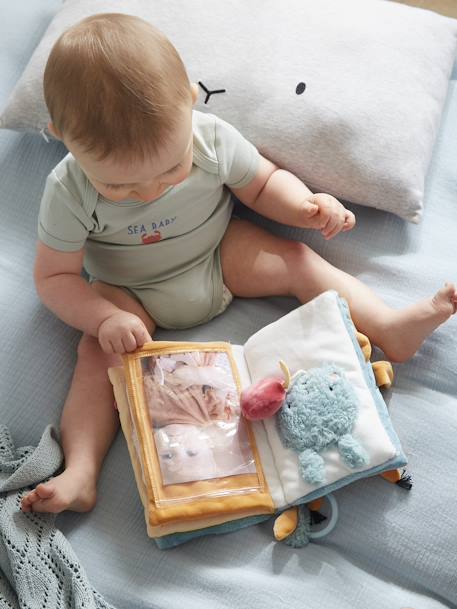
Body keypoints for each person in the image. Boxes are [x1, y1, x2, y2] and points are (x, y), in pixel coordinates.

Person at [20, 13, 457, 514]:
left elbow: (262, 183)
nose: (148, 192)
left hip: (218, 252)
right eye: (118, 186)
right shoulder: (67, 189)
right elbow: (54, 277)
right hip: (127, 289)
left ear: (189, 98)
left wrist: (305, 206)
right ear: (60, 136)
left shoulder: (208, 137)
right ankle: (81, 470)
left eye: (169, 170)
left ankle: (389, 326)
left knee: (295, 257)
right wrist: (104, 317)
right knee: (97, 354)